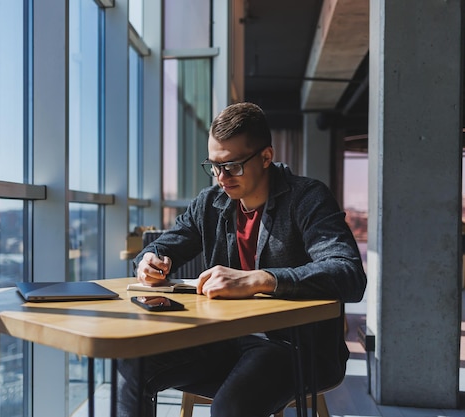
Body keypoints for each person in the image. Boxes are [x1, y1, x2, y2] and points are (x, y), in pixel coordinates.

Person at [116, 102, 367, 417]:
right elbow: (172, 240)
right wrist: (150, 258)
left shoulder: (307, 199)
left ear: (265, 157)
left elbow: (348, 275)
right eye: (214, 165)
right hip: (225, 339)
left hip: (295, 349)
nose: (221, 177)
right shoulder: (211, 202)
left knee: (233, 405)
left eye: (232, 165)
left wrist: (260, 279)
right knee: (130, 365)